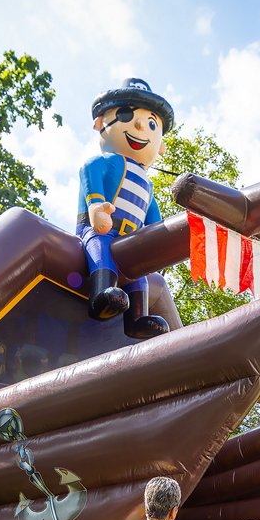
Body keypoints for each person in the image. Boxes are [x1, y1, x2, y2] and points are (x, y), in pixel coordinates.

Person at [77, 78, 174, 338]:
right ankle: (101, 295)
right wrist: (96, 207)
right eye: (126, 115)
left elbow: (154, 221)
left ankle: (137, 318)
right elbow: (90, 177)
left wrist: (159, 244)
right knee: (100, 248)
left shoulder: (147, 184)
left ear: (161, 145)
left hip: (131, 240)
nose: (141, 125)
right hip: (102, 230)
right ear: (100, 124)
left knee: (138, 273)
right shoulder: (103, 162)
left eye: (152, 124)